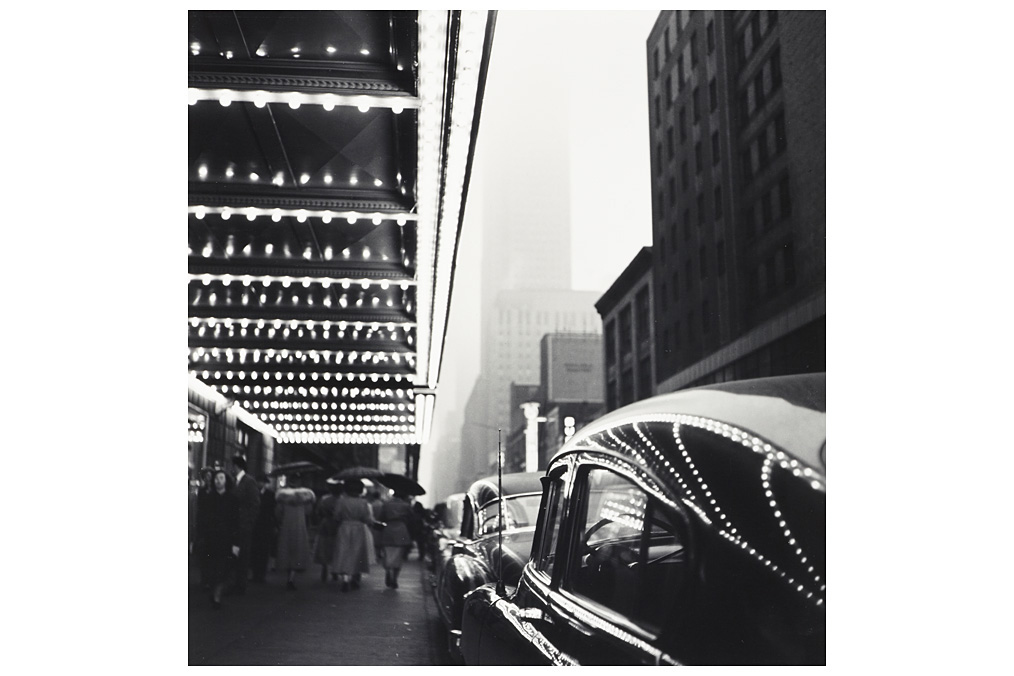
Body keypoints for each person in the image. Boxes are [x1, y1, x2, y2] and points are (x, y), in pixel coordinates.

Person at [197, 467, 240, 609]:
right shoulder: (208, 498)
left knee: (223, 569)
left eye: (221, 478)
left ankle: (217, 596)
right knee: (211, 568)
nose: (218, 481)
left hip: (226, 540)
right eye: (216, 478)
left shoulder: (232, 499)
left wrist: (236, 543)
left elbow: (235, 522)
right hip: (210, 539)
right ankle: (214, 591)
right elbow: (202, 519)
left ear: (226, 481)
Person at [332, 479, 375, 592]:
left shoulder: (341, 501)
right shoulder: (363, 502)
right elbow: (367, 518)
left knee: (343, 552)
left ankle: (345, 579)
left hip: (344, 528)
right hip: (358, 529)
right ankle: (355, 577)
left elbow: (336, 516)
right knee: (357, 553)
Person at [275, 473, 315, 591]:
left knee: (286, 549)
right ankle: (291, 578)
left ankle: (288, 573)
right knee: (297, 550)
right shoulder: (304, 496)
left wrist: (280, 522)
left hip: (286, 526)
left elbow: (278, 513)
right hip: (299, 526)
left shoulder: (282, 496)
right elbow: (308, 511)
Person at [229, 454, 261, 595]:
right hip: (234, 524)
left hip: (243, 525)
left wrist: (248, 522)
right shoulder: (234, 482)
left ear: (236, 466)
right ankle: (234, 583)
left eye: (232, 466)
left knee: (243, 555)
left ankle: (240, 585)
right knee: (234, 554)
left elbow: (255, 504)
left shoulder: (249, 482)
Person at [379, 491, 414, 589]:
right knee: (398, 556)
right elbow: (411, 518)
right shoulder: (406, 505)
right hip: (401, 530)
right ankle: (394, 578)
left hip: (388, 530)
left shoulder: (386, 504)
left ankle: (388, 570)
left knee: (387, 554)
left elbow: (381, 517)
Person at [250, 473, 277, 583]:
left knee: (264, 551)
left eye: (261, 482)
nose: (260, 484)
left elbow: (273, 511)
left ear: (265, 483)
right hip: (255, 525)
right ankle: (255, 574)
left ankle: (261, 575)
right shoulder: (253, 493)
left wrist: (274, 525)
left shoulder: (270, 494)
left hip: (266, 525)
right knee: (255, 550)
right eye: (258, 482)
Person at [313, 482, 341, 583]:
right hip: (338, 525)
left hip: (325, 523)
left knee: (324, 546)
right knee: (336, 547)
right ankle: (335, 570)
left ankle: (324, 567)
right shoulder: (342, 500)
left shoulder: (324, 499)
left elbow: (318, 512)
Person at [367, 490, 386, 564]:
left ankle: (377, 554)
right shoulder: (383, 504)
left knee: (375, 540)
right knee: (381, 539)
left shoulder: (371, 505)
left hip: (374, 524)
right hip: (381, 523)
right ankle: (380, 553)